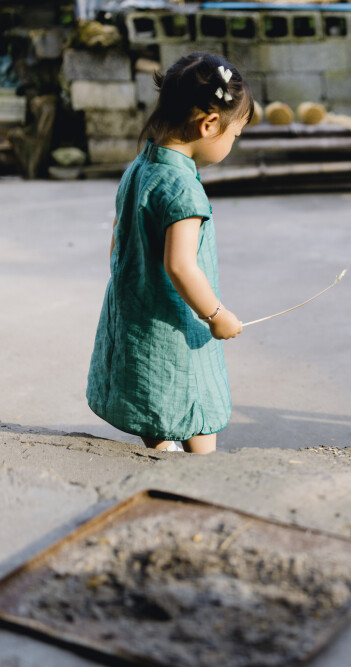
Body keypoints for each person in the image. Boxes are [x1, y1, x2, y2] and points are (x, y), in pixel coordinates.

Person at [86, 53, 254, 454]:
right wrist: (217, 315)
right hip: (175, 326)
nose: (233, 143)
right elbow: (180, 265)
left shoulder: (141, 165)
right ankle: (199, 480)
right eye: (235, 135)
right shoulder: (184, 188)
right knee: (197, 408)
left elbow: (118, 235)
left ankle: (164, 454)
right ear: (209, 124)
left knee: (156, 409)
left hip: (136, 313)